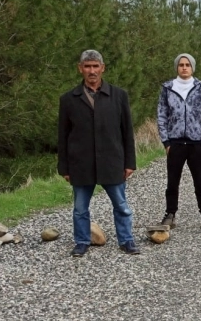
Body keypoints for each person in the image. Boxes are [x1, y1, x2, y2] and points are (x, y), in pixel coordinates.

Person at [57, 49, 140, 256]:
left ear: (102, 68)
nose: (91, 71)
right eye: (87, 66)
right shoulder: (68, 99)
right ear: (80, 69)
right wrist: (64, 167)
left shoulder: (119, 96)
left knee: (121, 205)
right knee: (80, 209)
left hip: (112, 161)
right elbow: (62, 136)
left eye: (95, 66)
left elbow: (127, 132)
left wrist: (129, 162)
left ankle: (126, 240)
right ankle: (82, 241)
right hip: (81, 163)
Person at [156, 53, 201, 231]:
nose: (184, 67)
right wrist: (166, 141)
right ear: (177, 67)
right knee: (172, 181)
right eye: (181, 64)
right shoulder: (168, 88)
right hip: (175, 143)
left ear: (192, 67)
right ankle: (170, 214)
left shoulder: (200, 87)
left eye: (187, 65)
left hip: (196, 142)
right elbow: (161, 115)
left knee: (199, 180)